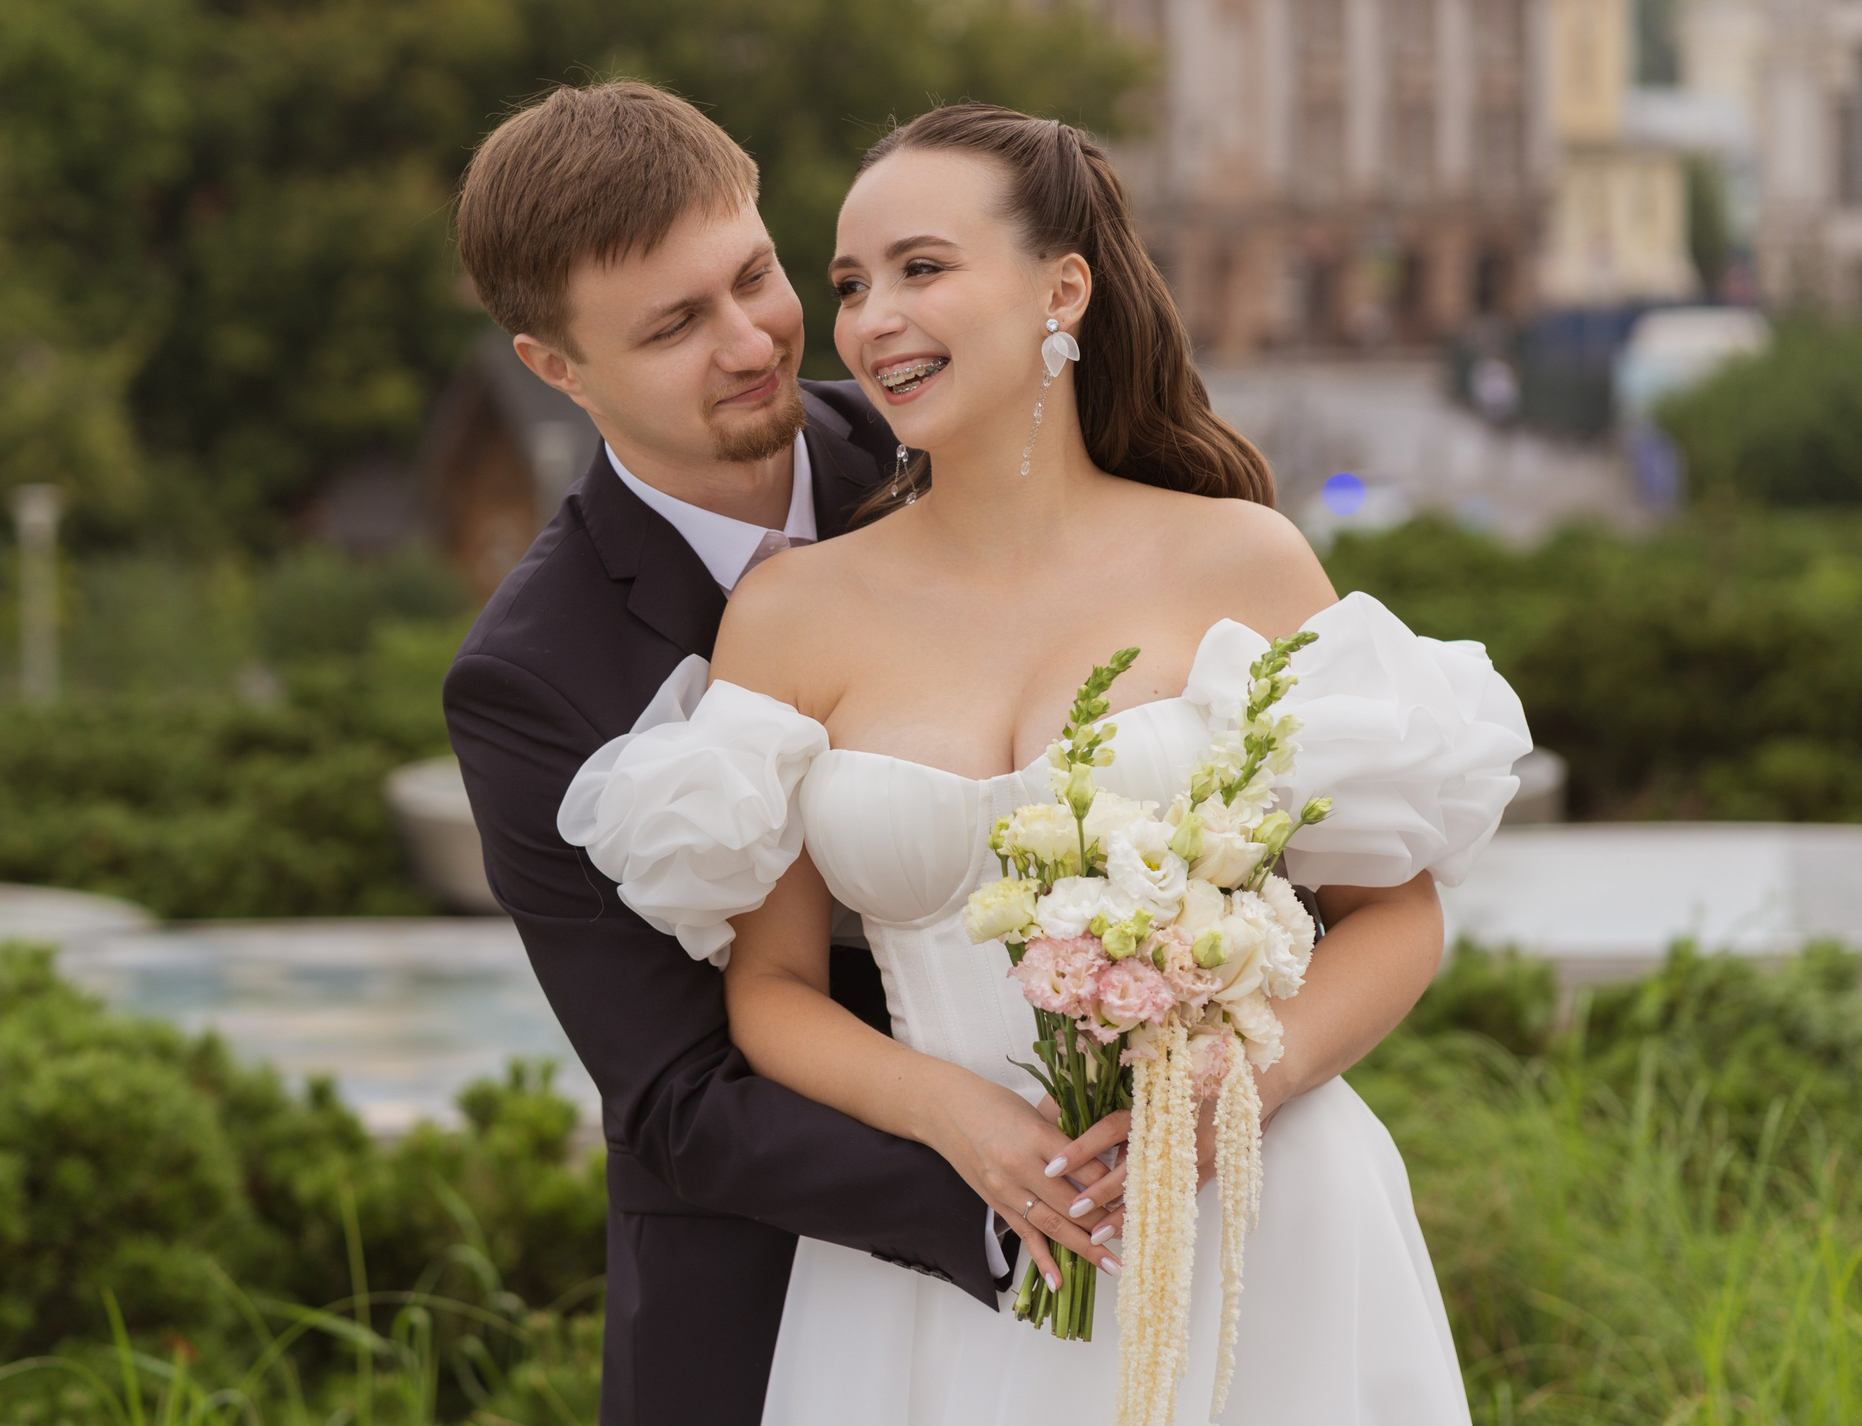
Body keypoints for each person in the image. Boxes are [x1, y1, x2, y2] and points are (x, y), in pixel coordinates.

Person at [560, 104, 1531, 1424]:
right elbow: (773, 988)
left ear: (1061, 287)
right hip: (934, 1271)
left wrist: (1239, 1081)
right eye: (849, 285)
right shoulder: (791, 614)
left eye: (922, 267)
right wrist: (947, 1115)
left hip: (1262, 1221)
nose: (870, 320)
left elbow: (1396, 915)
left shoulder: (1242, 561)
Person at [441, 82, 1039, 1426]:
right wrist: (1019, 1200)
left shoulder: (959, 444)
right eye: (673, 325)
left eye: (755, 277)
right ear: (556, 367)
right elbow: (676, 1097)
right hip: (768, 1308)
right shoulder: (531, 675)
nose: (752, 340)